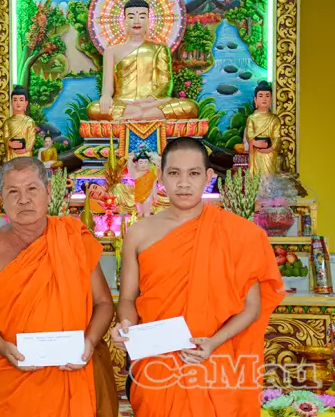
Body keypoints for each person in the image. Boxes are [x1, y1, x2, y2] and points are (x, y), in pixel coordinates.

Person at [111, 137, 285, 416]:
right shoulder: (139, 233)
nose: (183, 183)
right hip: (158, 361)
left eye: (193, 174)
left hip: (216, 357)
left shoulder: (239, 234)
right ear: (160, 176)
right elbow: (129, 297)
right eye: (174, 173)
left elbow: (252, 307)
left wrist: (213, 342)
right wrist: (126, 325)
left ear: (208, 177)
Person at [0, 157, 119, 417]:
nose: (24, 199)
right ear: (1, 199)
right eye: (13, 192)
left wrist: (89, 342)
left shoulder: (73, 237)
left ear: (48, 192)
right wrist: (3, 347)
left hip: (72, 371)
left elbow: (103, 302)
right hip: (13, 376)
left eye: (32, 189)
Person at [88, 0, 198, 121]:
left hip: (152, 104)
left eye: (142, 16)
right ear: (124, 20)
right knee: (94, 108)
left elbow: (164, 84)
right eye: (131, 17)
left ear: (148, 20)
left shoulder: (160, 48)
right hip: (124, 104)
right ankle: (143, 114)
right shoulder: (111, 51)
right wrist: (106, 97)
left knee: (190, 107)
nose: (136, 21)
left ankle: (137, 115)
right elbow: (107, 87)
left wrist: (148, 102)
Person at [245, 81, 281, 177]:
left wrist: (271, 148)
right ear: (255, 100)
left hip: (270, 154)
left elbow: (277, 137)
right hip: (256, 152)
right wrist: (254, 142)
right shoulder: (252, 118)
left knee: (268, 178)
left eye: (267, 96)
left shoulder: (274, 119)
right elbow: (249, 135)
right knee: (256, 178)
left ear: (271, 99)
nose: (264, 99)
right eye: (261, 96)